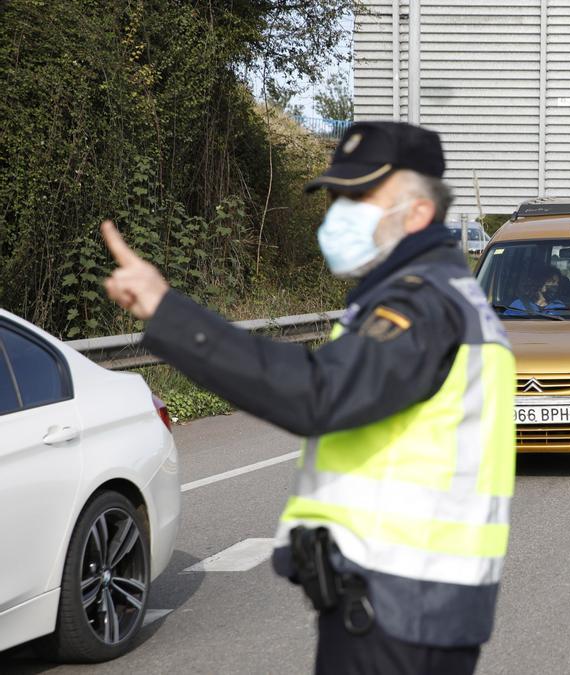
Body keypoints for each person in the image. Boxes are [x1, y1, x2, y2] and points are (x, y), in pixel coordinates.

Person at [101, 121, 515, 675]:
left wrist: (168, 312)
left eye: (360, 196)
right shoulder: (426, 297)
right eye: (338, 197)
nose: (340, 213)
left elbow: (318, 393)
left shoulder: (423, 307)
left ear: (417, 213)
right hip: (406, 604)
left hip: (402, 612)